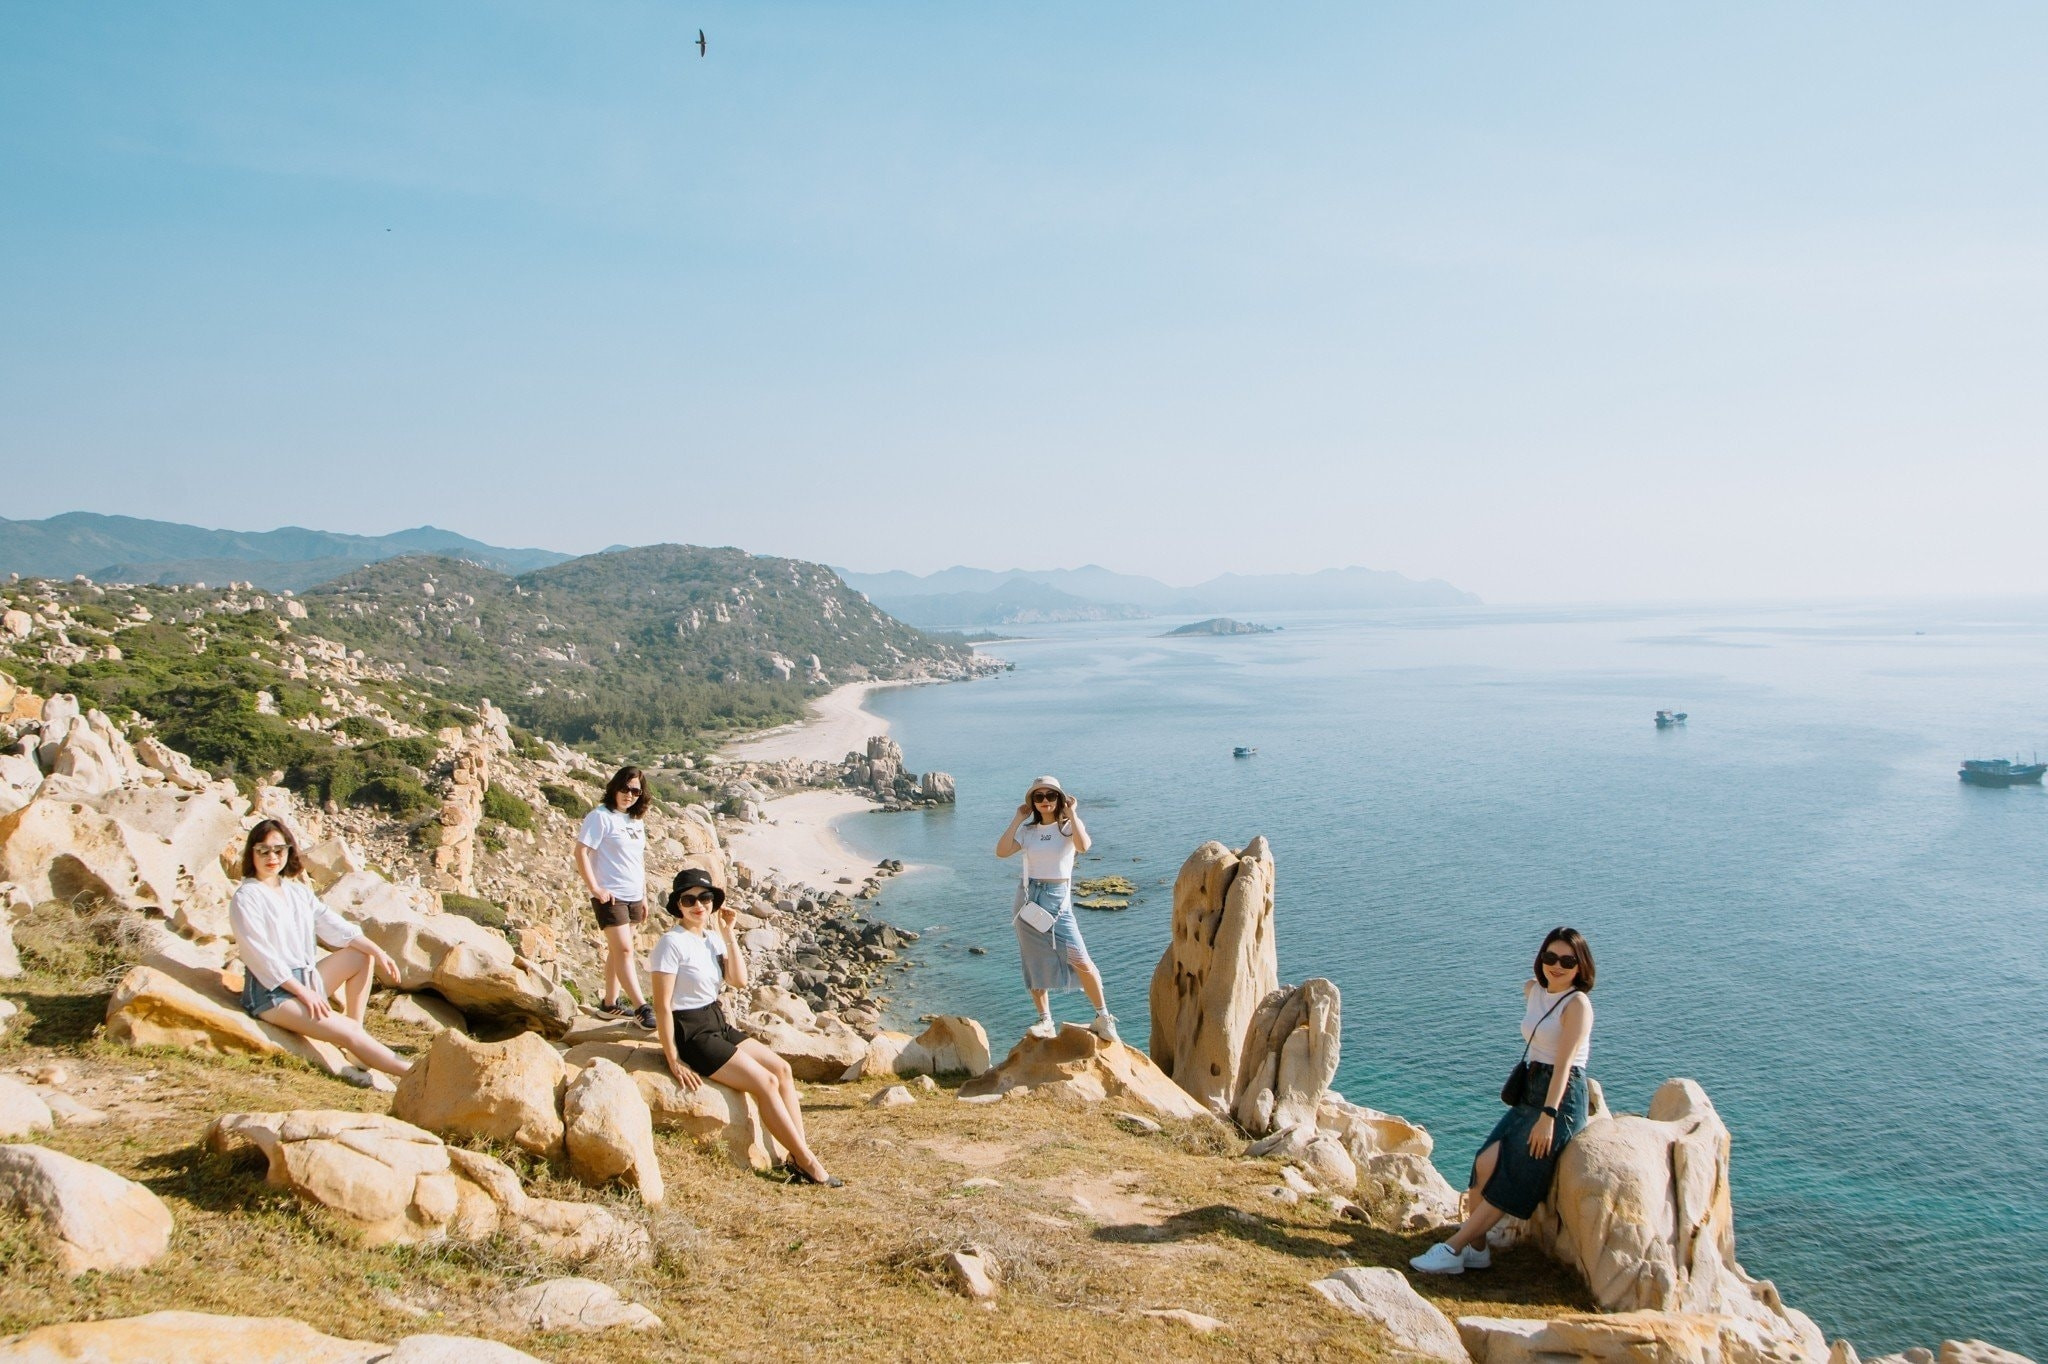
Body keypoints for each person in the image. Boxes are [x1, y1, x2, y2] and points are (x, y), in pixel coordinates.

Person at [1410, 927, 1597, 1275]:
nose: (1556, 966)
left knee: (1513, 1173)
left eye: (1567, 961)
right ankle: (1478, 1250)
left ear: (1581, 966)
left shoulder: (1578, 1005)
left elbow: (1565, 1066)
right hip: (1531, 1090)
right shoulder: (1535, 991)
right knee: (1484, 1163)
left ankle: (1452, 1249)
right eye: (1550, 957)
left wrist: (1548, 1116)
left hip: (1560, 1097)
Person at [648, 868, 841, 1186]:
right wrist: (673, 1058)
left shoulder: (711, 938)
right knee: (765, 1082)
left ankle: (797, 1151)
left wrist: (729, 933)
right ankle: (808, 1163)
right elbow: (662, 1006)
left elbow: (738, 980)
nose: (699, 905)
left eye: (705, 897)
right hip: (692, 1031)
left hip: (717, 1020)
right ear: (678, 905)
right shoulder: (671, 943)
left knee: (781, 1070)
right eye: (689, 899)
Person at [228, 819, 410, 1080]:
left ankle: (355, 1044)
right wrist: (304, 993)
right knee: (348, 1030)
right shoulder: (247, 897)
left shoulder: (296, 893)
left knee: (361, 955)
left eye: (279, 850)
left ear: (289, 851)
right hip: (273, 994)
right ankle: (416, 1073)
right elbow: (260, 957)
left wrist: (379, 952)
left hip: (307, 981)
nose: (272, 857)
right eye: (263, 850)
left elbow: (335, 927)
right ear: (252, 853)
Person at [994, 775, 1119, 1044]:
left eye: (1050, 796)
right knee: (1033, 961)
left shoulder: (1068, 828)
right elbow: (1002, 851)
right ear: (1032, 802)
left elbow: (1084, 846)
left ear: (1059, 798)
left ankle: (1103, 1016)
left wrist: (1072, 813)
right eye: (1038, 797)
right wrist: (1017, 819)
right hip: (1028, 899)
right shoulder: (1027, 832)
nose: (1045, 801)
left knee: (1081, 959)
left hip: (1058, 900)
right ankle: (1045, 1020)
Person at [575, 765, 655, 1029]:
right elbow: (581, 852)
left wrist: (643, 895)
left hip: (633, 894)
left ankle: (610, 1004)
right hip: (611, 896)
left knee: (617, 951)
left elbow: (637, 860)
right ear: (614, 787)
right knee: (624, 949)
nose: (628, 795)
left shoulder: (635, 820)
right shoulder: (600, 816)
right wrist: (595, 888)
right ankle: (642, 1008)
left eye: (635, 790)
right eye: (624, 788)